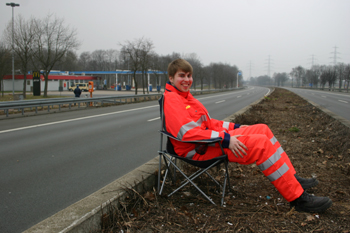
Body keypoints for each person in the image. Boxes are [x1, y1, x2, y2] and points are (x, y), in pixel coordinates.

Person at [163, 58, 332, 213]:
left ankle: (292, 179)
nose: (187, 80)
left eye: (189, 75)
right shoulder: (173, 100)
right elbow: (188, 133)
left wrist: (236, 127)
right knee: (261, 144)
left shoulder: (185, 97)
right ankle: (298, 199)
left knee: (262, 129)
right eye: (182, 76)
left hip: (208, 142)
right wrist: (226, 139)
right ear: (171, 78)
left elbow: (210, 123)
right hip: (198, 150)